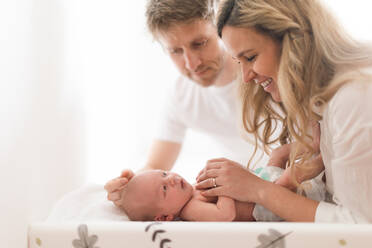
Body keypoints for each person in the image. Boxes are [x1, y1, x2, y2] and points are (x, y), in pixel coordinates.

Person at [196, 0, 372, 223]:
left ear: (296, 40)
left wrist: (259, 190)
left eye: (250, 57)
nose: (246, 77)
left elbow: (361, 227)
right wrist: (283, 179)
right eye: (238, 61)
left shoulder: (354, 97)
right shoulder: (313, 102)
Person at [106, 0, 268, 207]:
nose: (192, 63)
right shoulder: (180, 96)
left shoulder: (264, 76)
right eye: (176, 51)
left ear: (222, 30)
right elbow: (156, 165)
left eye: (199, 44)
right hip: (242, 197)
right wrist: (127, 187)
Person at [106, 167, 325, 221]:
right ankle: (317, 161)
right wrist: (225, 188)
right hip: (269, 206)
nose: (170, 179)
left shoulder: (190, 192)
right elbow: (225, 215)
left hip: (261, 183)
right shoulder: (190, 209)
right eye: (164, 188)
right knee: (291, 179)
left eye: (164, 173)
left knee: (278, 158)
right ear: (164, 218)